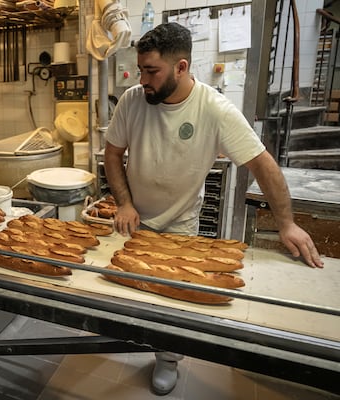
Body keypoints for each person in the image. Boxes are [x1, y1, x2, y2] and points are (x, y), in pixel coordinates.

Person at [104, 22, 324, 395]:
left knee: (172, 302)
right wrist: (124, 202)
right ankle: (124, 341)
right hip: (133, 220)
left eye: (152, 71)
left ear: (182, 67)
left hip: (180, 224)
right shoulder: (132, 100)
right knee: (126, 292)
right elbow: (112, 153)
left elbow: (263, 164)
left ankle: (167, 358)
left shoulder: (214, 108)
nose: (143, 79)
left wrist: (287, 224)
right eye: (141, 70)